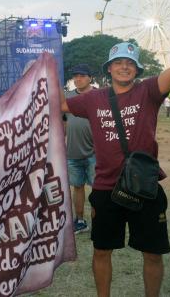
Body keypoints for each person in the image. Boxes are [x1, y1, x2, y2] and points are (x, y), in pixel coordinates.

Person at [60, 2, 170, 297]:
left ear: (137, 69)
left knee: (153, 253)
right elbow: (59, 103)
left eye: (130, 63)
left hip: (145, 187)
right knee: (102, 251)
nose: (124, 67)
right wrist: (42, 63)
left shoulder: (149, 91)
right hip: (106, 188)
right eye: (118, 62)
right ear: (109, 68)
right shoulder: (93, 99)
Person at [63, 63, 96, 234]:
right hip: (73, 151)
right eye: (75, 76)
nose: (78, 79)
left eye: (82, 76)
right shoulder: (67, 96)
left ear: (90, 78)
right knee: (77, 187)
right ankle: (80, 220)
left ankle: (99, 222)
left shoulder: (99, 96)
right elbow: (62, 121)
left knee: (98, 189)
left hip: (95, 153)